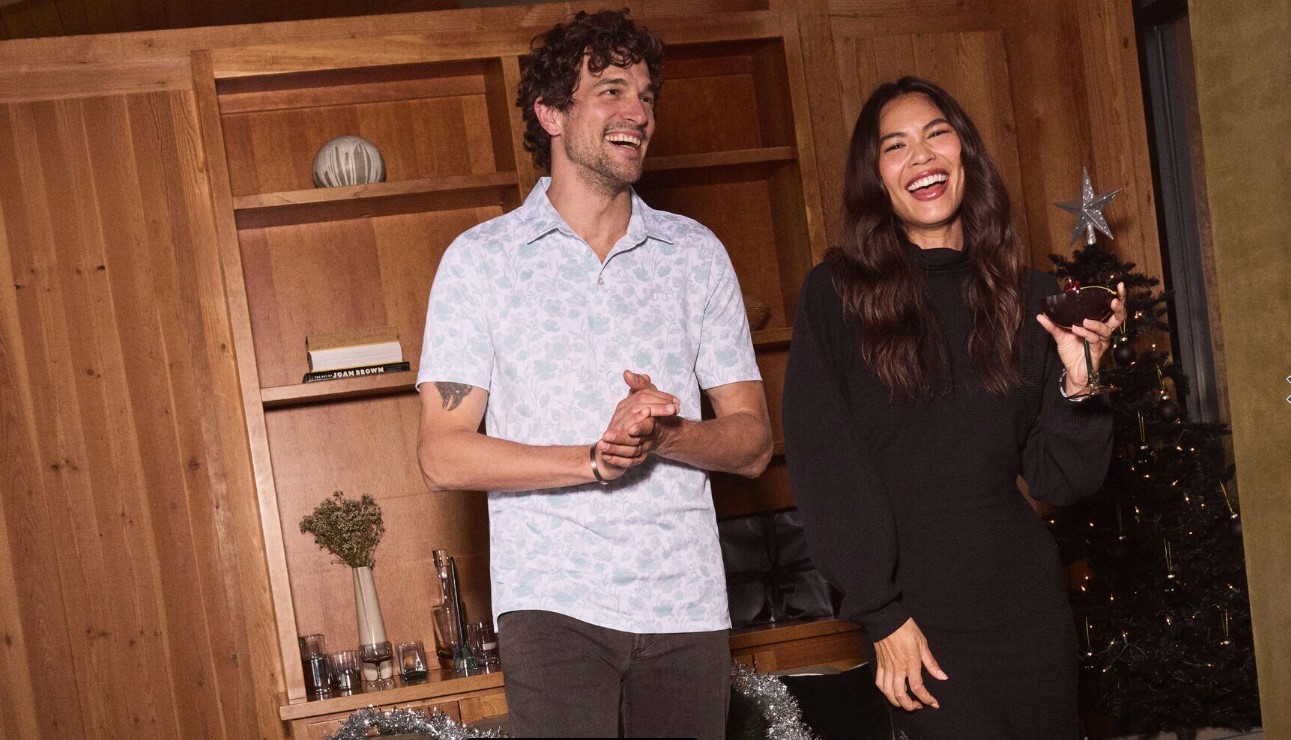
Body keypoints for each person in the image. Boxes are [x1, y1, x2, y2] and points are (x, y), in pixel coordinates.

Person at [414, 9, 773, 738]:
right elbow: (441, 452)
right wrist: (593, 460)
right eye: (611, 90)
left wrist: (660, 438)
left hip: (686, 605)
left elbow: (753, 444)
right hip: (553, 606)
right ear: (550, 112)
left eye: (645, 95)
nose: (636, 112)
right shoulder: (481, 261)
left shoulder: (693, 254)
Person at [782, 76, 1124, 739]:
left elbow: (1062, 479)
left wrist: (1080, 390)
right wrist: (879, 614)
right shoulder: (835, 296)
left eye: (937, 134)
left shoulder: (1030, 297)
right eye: (895, 145)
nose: (922, 156)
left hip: (1025, 606)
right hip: (916, 619)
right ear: (874, 177)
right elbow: (826, 472)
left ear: (965, 154)